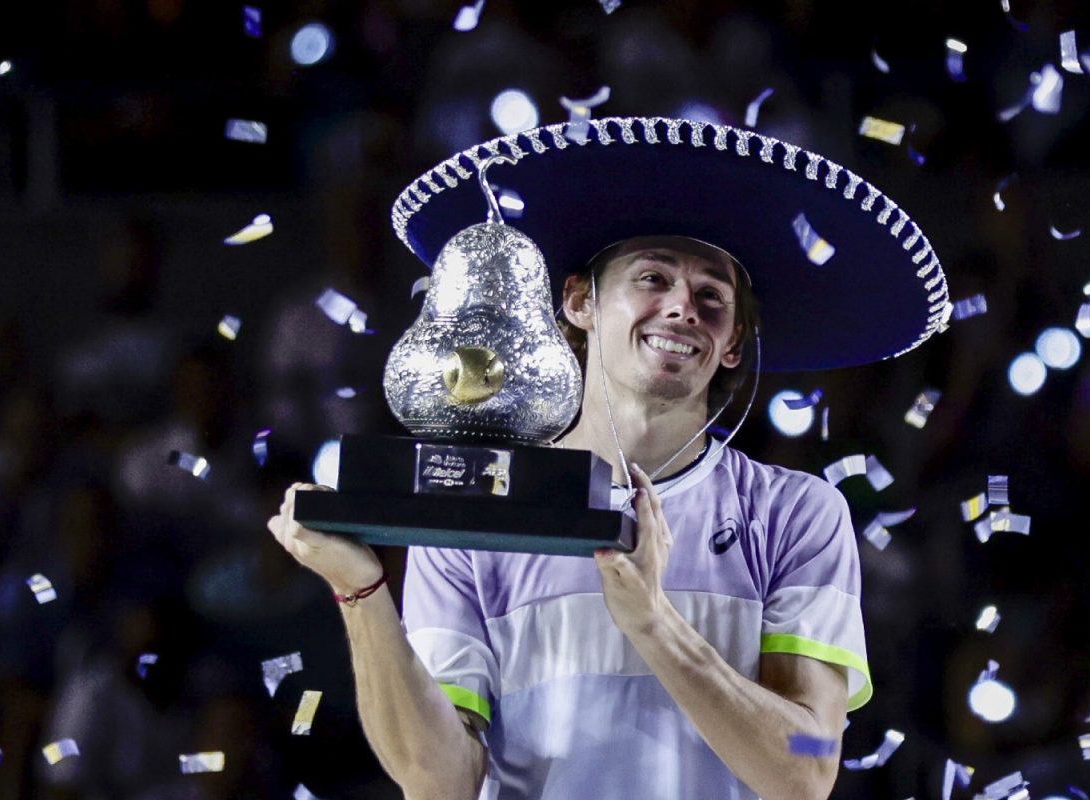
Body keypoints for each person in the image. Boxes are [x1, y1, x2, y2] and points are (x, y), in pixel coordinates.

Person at [270, 114, 948, 799]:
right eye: (652, 277)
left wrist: (655, 624)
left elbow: (808, 767)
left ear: (734, 343)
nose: (682, 307)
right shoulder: (477, 516)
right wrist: (361, 592)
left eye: (712, 296)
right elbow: (439, 782)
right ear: (579, 302)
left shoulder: (798, 514)